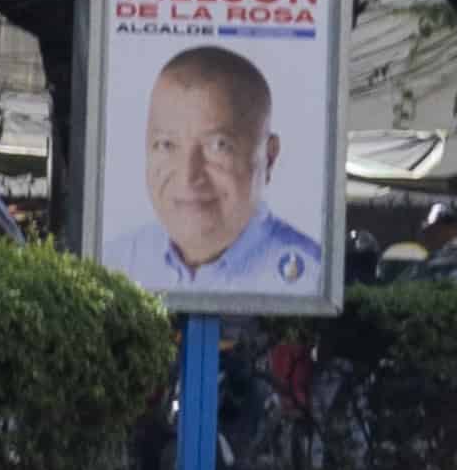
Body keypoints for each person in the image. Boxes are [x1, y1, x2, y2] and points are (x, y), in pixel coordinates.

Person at [135, 44, 324, 296]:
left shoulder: (311, 278)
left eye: (218, 146)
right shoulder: (118, 264)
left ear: (269, 156)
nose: (189, 175)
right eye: (167, 144)